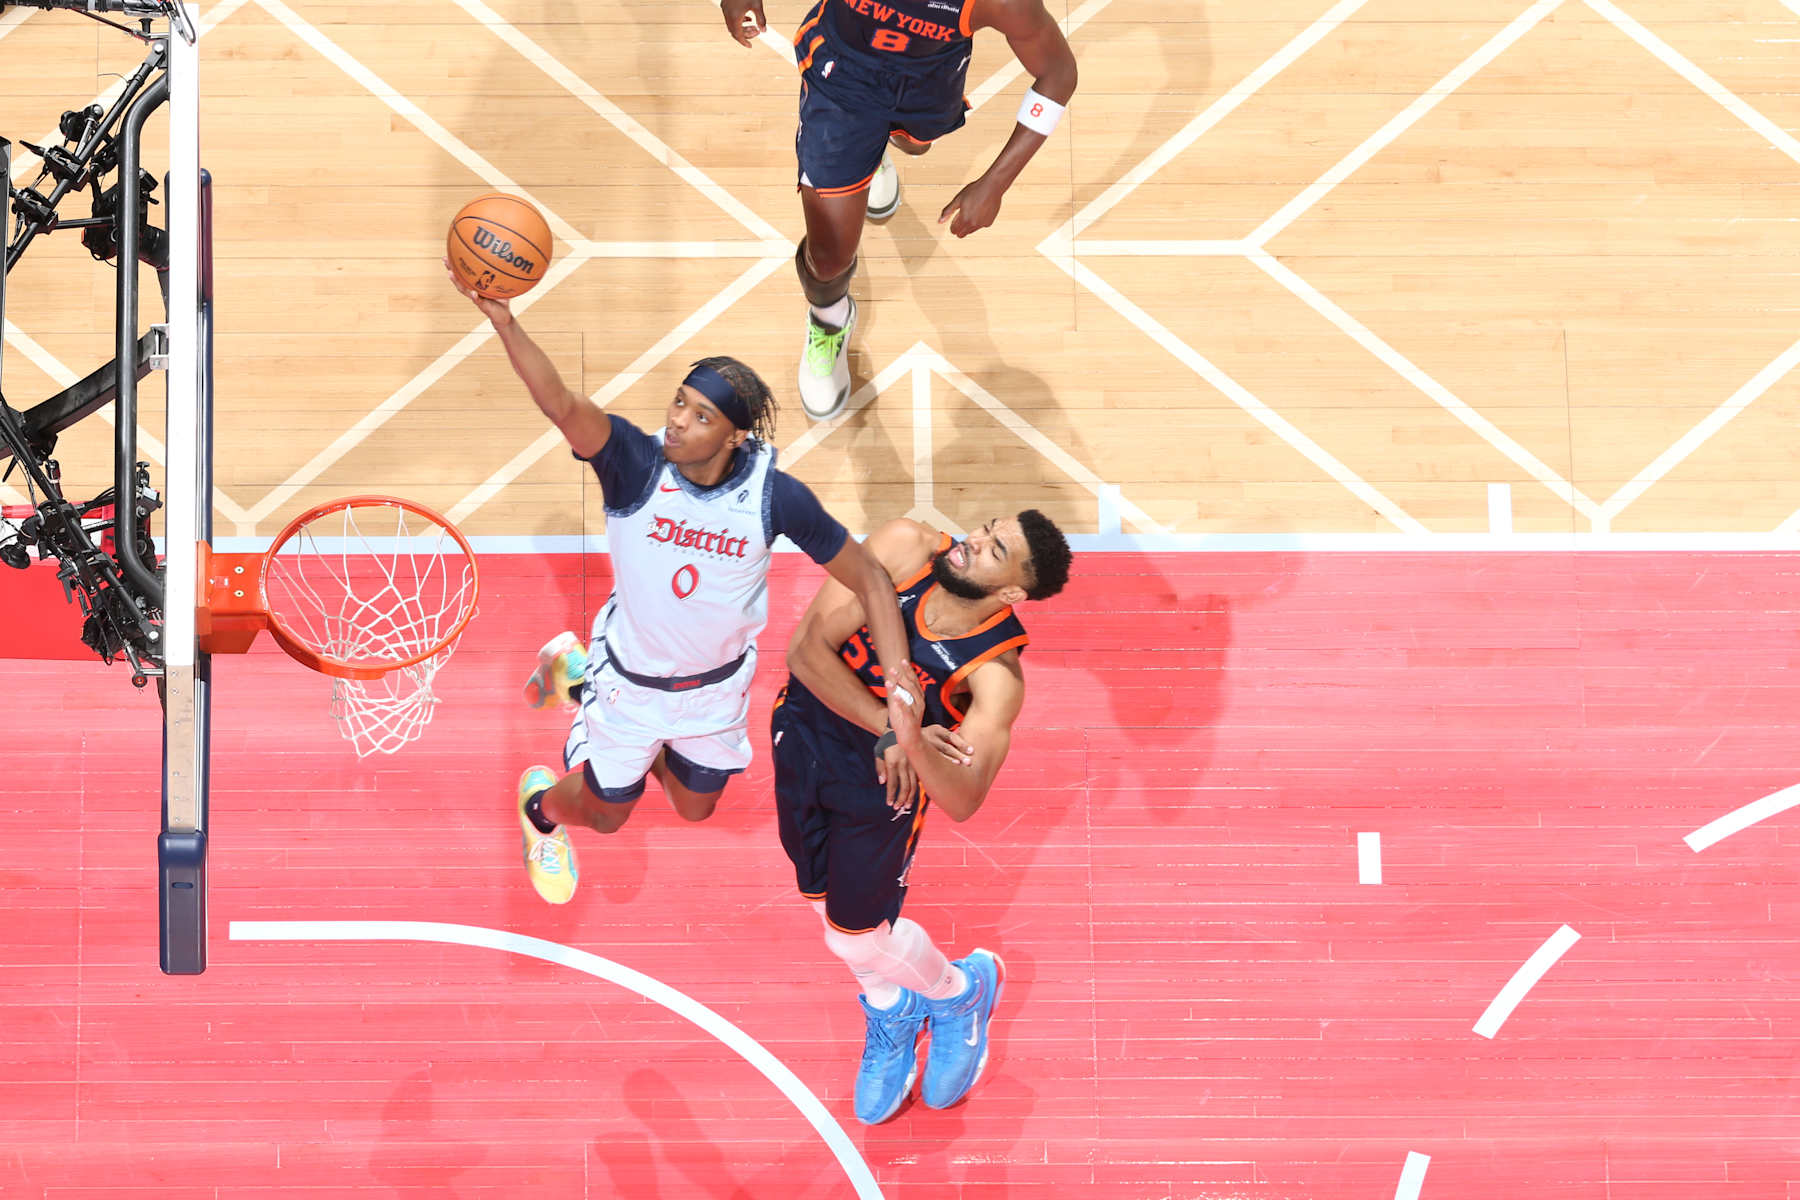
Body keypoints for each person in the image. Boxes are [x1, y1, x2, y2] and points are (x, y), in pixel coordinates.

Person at [448, 266, 919, 905]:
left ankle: (574, 676)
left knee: (695, 808)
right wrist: (504, 321)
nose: (677, 422)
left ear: (734, 436)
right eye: (678, 402)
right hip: (633, 684)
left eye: (701, 416)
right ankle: (540, 811)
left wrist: (900, 696)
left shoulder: (774, 497)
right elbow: (561, 404)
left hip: (715, 689)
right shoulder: (633, 464)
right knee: (610, 813)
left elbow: (869, 577)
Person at [771, 510, 1072, 1123]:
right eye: (987, 527)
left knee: (853, 932)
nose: (973, 541)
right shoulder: (904, 545)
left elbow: (964, 798)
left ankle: (957, 995)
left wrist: (907, 746)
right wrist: (892, 725)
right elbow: (806, 653)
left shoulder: (994, 676)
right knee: (817, 899)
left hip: (884, 788)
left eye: (994, 550)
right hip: (804, 730)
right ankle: (898, 1004)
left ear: (1013, 591)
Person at [717, 0, 1079, 420]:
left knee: (915, 144)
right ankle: (829, 319)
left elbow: (1058, 72)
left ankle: (872, 154)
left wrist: (995, 182)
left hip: (927, 82)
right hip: (842, 81)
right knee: (829, 255)